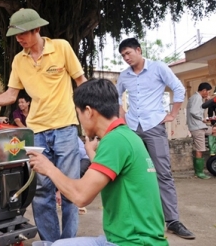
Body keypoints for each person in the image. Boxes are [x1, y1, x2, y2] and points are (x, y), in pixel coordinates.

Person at [0, 8, 87, 241]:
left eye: (23, 33)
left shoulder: (62, 47)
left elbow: (81, 82)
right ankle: (50, 243)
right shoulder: (18, 60)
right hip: (36, 133)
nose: (19, 39)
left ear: (37, 29)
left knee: (69, 190)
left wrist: (89, 120)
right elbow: (11, 95)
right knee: (42, 191)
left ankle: (68, 242)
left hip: (65, 128)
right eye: (16, 35)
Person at [28, 78, 168, 246]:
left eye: (78, 113)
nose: (79, 120)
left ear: (88, 111)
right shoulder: (126, 136)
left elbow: (81, 196)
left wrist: (49, 168)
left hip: (134, 242)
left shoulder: (114, 141)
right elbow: (104, 174)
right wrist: (89, 151)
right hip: (131, 239)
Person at [116, 37, 194, 239]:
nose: (126, 58)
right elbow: (116, 96)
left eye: (128, 53)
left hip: (154, 126)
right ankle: (136, 218)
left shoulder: (158, 68)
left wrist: (173, 114)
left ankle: (173, 221)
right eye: (123, 55)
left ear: (139, 50)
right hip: (132, 127)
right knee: (132, 173)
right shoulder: (124, 76)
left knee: (163, 173)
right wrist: (122, 115)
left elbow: (179, 89)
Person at [186, 82, 213, 179]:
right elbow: (194, 111)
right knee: (200, 149)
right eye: (208, 92)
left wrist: (206, 101)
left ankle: (212, 149)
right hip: (198, 127)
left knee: (213, 130)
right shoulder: (197, 98)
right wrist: (202, 119)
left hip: (199, 126)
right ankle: (199, 172)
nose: (208, 94)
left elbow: (198, 110)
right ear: (204, 90)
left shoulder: (195, 98)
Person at [202, 88, 216, 156]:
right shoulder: (213, 102)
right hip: (214, 122)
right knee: (213, 132)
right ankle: (213, 151)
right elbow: (210, 115)